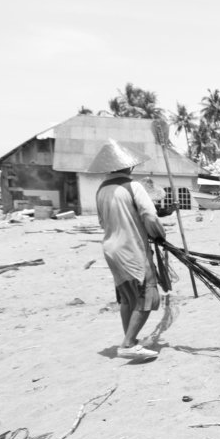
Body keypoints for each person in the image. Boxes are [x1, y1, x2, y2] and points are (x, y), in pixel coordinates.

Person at [90, 139, 166, 361]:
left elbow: (103, 222)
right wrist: (159, 236)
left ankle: (130, 340)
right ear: (129, 165)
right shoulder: (134, 187)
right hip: (132, 248)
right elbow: (150, 216)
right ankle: (128, 344)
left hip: (111, 248)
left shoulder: (101, 190)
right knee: (148, 296)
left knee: (127, 298)